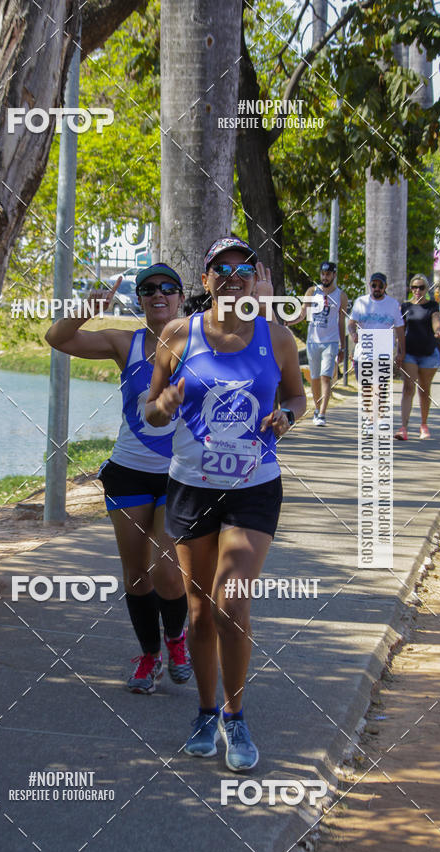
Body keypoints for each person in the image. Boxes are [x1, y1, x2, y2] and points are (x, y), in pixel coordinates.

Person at [145, 236, 306, 772]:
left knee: (230, 601)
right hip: (191, 486)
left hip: (255, 486)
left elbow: (296, 396)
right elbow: (151, 412)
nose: (233, 275)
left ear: (254, 276)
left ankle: (235, 718)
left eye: (244, 267)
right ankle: (206, 711)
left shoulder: (278, 338)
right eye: (222, 267)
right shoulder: (177, 335)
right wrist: (164, 403)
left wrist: (287, 417)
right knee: (198, 610)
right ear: (208, 278)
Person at [45, 264, 192, 694]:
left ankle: (177, 641)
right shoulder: (123, 342)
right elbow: (58, 338)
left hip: (179, 476)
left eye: (167, 288)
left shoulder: (200, 344)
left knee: (165, 569)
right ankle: (150, 657)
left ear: (181, 297)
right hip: (127, 472)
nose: (157, 294)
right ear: (140, 299)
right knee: (136, 576)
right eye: (148, 289)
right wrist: (89, 306)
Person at [394, 274, 440, 440]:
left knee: (424, 390)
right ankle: (403, 427)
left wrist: (438, 330)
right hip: (410, 353)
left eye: (421, 287)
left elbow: (435, 320)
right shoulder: (406, 306)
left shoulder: (432, 305)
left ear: (426, 289)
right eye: (414, 287)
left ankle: (424, 424)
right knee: (408, 388)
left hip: (429, 353)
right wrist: (399, 350)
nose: (417, 290)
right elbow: (400, 329)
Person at [302, 261, 348, 426]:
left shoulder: (341, 296)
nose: (325, 277)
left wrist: (343, 347)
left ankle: (322, 414)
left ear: (334, 275)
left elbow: (341, 322)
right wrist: (289, 321)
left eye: (328, 274)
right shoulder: (312, 291)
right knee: (314, 378)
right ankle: (317, 407)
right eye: (323, 274)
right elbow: (302, 313)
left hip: (331, 341)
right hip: (312, 341)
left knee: (325, 377)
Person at [348, 272, 405, 378]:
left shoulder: (393, 304)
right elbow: (351, 323)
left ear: (385, 287)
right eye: (374, 285)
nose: (377, 288)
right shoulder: (360, 302)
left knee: (379, 391)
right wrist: (353, 333)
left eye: (380, 286)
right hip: (363, 354)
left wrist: (401, 353)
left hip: (383, 355)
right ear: (370, 285)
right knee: (366, 391)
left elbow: (400, 330)